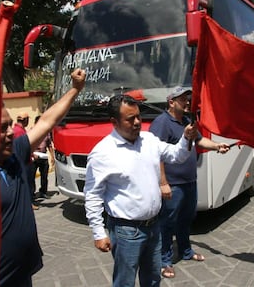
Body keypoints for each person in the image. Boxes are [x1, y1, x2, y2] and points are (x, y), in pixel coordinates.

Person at [84, 94, 198, 287]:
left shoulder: (149, 140)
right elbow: (93, 195)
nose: (137, 122)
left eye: (138, 116)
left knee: (153, 279)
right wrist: (98, 232)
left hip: (154, 226)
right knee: (125, 282)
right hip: (126, 232)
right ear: (114, 122)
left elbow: (176, 155)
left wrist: (186, 138)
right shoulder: (102, 153)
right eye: (130, 119)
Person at [0, 68, 86, 286]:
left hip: (23, 271)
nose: (10, 132)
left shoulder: (16, 152)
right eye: (1, 128)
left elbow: (46, 121)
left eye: (9, 125)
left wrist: (75, 89)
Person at [149, 87, 230, 278]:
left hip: (189, 181)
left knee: (186, 219)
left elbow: (200, 142)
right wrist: (163, 182)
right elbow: (155, 154)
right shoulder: (161, 123)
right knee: (167, 223)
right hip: (173, 184)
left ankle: (185, 251)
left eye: (188, 99)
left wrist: (217, 146)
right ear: (171, 102)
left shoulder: (186, 121)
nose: (187, 102)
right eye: (183, 99)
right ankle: (164, 260)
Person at [32, 115, 55, 199]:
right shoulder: (31, 132)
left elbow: (49, 145)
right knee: (31, 176)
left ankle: (43, 191)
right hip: (34, 157)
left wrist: (52, 156)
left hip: (43, 157)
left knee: (44, 176)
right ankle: (32, 193)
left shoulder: (46, 133)